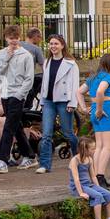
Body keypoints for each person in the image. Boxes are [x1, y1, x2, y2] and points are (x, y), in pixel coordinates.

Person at [0, 25, 38, 172]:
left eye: (16, 38)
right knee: (16, 125)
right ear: (6, 38)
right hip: (5, 93)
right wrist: (8, 56)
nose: (13, 41)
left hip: (17, 95)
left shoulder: (26, 55)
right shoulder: (0, 53)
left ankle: (2, 160)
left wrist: (20, 95)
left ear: (19, 38)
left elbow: (29, 78)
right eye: (10, 38)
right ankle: (30, 156)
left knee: (8, 126)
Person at [36, 35, 81, 175]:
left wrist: (72, 103)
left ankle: (78, 158)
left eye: (56, 44)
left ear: (62, 45)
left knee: (68, 133)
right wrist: (42, 100)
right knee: (46, 134)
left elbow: (75, 84)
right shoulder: (47, 62)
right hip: (49, 101)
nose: (53, 46)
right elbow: (45, 83)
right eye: (51, 44)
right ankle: (45, 164)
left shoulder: (71, 63)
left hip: (64, 101)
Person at [79, 53, 110, 188]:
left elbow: (79, 92)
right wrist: (100, 110)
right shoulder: (108, 77)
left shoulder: (92, 77)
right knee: (109, 145)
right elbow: (101, 91)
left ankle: (95, 176)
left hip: (95, 109)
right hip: (105, 110)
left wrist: (84, 108)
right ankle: (100, 177)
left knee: (100, 146)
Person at [68, 136, 110, 219]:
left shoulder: (89, 159)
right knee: (98, 196)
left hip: (88, 185)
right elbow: (76, 179)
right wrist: (81, 193)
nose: (95, 150)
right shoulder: (75, 161)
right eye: (93, 148)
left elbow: (93, 176)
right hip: (78, 186)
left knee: (108, 194)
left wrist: (99, 188)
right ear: (85, 149)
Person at [23, 27, 44, 103]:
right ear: (36, 37)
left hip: (14, 79)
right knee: (28, 101)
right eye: (40, 37)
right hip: (28, 79)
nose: (41, 39)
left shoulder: (17, 45)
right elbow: (43, 66)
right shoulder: (36, 49)